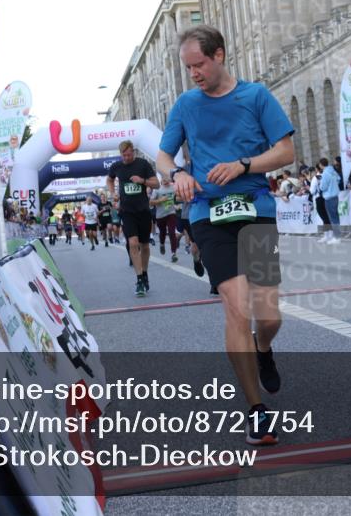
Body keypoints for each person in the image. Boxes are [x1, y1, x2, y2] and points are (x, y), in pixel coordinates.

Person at [157, 24, 295, 446]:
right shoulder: (185, 104)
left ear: (219, 55)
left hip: (255, 209)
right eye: (188, 67)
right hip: (207, 213)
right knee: (238, 308)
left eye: (199, 64)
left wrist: (243, 165)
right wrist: (178, 173)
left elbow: (286, 151)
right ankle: (256, 411)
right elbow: (163, 156)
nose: (194, 73)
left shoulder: (255, 96)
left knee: (268, 316)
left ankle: (263, 348)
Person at [109, 140, 159, 296]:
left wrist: (142, 180)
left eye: (129, 154)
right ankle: (138, 279)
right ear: (121, 154)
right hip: (127, 211)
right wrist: (113, 193)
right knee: (133, 243)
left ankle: (144, 273)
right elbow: (109, 179)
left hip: (143, 210)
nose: (127, 157)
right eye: (124, 155)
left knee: (145, 246)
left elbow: (156, 184)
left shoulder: (143, 164)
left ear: (134, 152)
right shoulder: (116, 167)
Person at [150, 176, 180, 263]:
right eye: (164, 179)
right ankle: (162, 244)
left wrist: (176, 204)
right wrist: (160, 200)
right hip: (160, 215)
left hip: (171, 213)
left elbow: (177, 197)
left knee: (172, 233)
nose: (166, 181)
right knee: (162, 232)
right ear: (161, 180)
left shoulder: (173, 187)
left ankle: (173, 254)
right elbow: (151, 202)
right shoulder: (157, 189)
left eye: (167, 179)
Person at [318, 157, 341, 245]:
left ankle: (336, 237)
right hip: (335, 195)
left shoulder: (325, 173)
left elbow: (323, 187)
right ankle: (337, 236)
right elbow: (338, 179)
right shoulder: (333, 171)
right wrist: (334, 185)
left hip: (329, 197)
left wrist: (320, 184)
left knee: (333, 218)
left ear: (321, 165)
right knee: (335, 217)